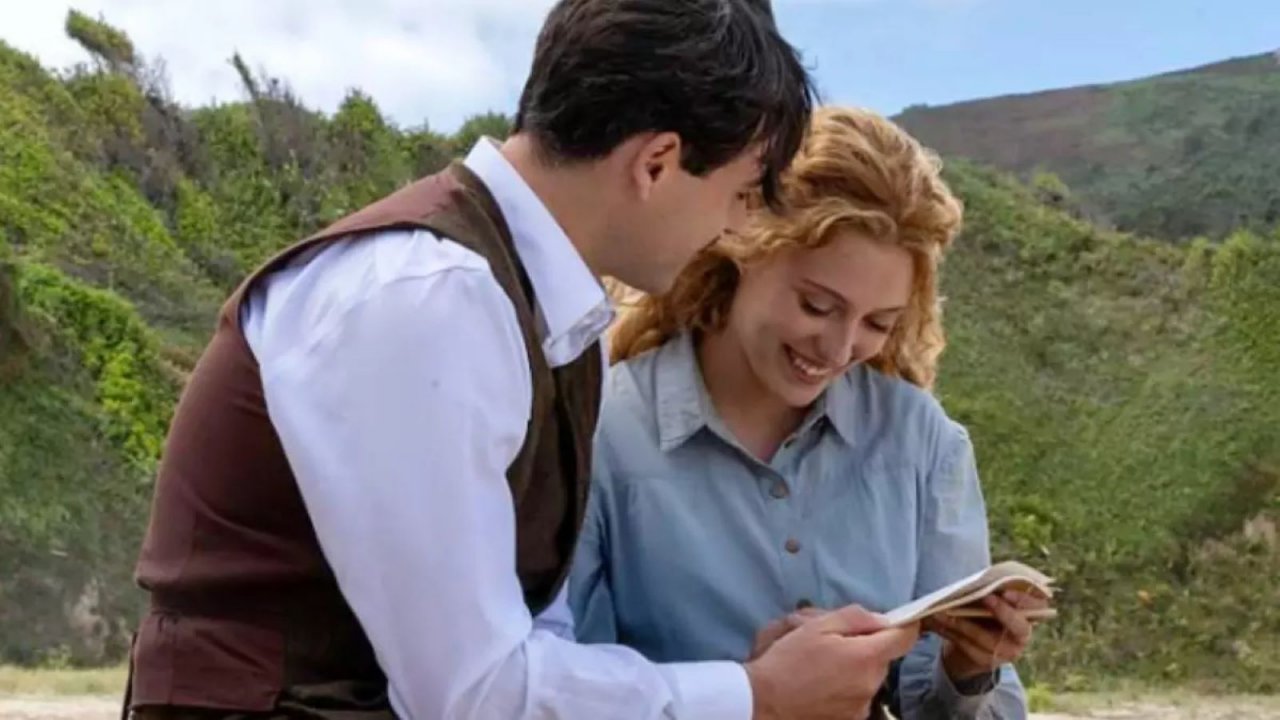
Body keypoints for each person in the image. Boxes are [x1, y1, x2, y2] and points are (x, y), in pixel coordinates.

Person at [123, 2, 922, 719]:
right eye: (742, 193)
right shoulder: (430, 296)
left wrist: (754, 681)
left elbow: (532, 644)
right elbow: (474, 694)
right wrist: (755, 697)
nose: (736, 229)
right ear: (657, 162)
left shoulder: (552, 323)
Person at [569, 106, 1047, 719]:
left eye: (878, 323)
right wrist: (750, 694)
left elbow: (964, 706)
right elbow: (563, 690)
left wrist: (969, 671)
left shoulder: (920, 440)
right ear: (741, 248)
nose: (840, 350)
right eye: (817, 306)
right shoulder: (603, 433)